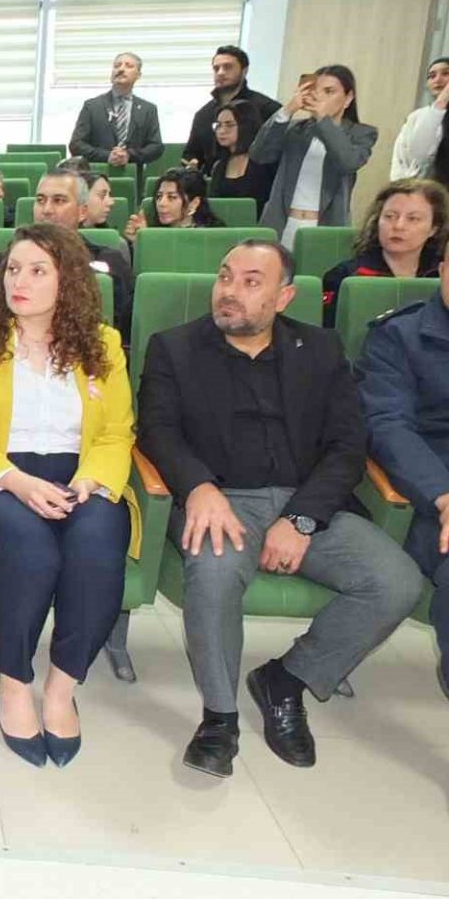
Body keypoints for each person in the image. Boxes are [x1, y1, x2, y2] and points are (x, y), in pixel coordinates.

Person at [137, 240, 421, 778]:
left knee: (396, 582)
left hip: (307, 500)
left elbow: (347, 446)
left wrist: (301, 519)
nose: (230, 291)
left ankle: (286, 679)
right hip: (220, 500)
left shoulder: (320, 349)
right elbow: (158, 430)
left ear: (284, 296)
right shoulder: (174, 348)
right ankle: (219, 718)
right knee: (215, 572)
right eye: (225, 277)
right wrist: (198, 487)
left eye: (251, 282)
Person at [0, 224, 136, 767]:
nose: (18, 282)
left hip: (81, 476)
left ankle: (61, 688)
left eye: (36, 271)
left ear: (67, 280)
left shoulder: (103, 345)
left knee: (97, 545)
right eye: (12, 269)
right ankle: (13, 683)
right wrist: (17, 481)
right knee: (32, 551)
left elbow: (117, 433)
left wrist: (89, 482)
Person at [356, 252, 449, 696]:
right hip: (430, 494)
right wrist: (442, 495)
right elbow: (388, 427)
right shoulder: (400, 335)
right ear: (442, 269)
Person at [0, 170, 133, 336]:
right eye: (40, 200)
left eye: (59, 200)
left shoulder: (110, 262)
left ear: (82, 212)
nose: (46, 210)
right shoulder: (2, 262)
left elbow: (123, 329)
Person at [250, 65, 378, 249]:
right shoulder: (294, 129)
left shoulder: (362, 133)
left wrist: (323, 120)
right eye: (315, 91)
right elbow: (259, 155)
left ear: (348, 98)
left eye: (329, 92)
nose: (320, 97)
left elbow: (348, 162)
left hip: (325, 227)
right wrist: (287, 110)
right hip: (282, 224)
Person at [322, 179, 448, 326]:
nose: (398, 226)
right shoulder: (345, 275)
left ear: (434, 228)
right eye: (390, 216)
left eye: (413, 219)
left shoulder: (442, 274)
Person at [182, 46, 283, 174]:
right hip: (213, 181)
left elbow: (277, 152)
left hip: (254, 181)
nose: (220, 73)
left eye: (228, 67)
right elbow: (191, 153)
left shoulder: (267, 108)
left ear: (244, 71)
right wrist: (192, 163)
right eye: (216, 68)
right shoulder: (203, 114)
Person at [68, 52, 164, 169]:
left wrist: (129, 155)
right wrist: (107, 156)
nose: (121, 69)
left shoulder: (148, 109)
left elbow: (156, 147)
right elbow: (76, 145)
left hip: (133, 174)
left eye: (128, 66)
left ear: (138, 75)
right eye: (117, 66)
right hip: (97, 174)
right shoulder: (92, 106)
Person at [206, 101, 276, 214]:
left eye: (229, 125)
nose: (221, 131)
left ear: (246, 126)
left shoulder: (263, 161)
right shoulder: (219, 166)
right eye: (218, 125)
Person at [125, 168, 223, 245]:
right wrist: (140, 243)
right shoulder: (151, 228)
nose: (161, 203)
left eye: (172, 197)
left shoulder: (213, 237)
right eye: (159, 196)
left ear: (194, 203)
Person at [389, 56, 448, 180]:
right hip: (424, 187)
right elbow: (415, 155)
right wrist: (441, 102)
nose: (438, 79)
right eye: (432, 76)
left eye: (446, 73)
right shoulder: (418, 117)